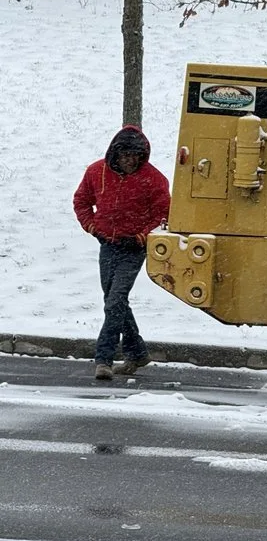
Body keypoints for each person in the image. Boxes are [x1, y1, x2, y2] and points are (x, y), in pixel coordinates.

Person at [73, 125, 171, 380]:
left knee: (115, 300)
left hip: (134, 249)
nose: (130, 161)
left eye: (135, 156)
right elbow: (81, 201)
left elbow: (163, 215)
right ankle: (136, 352)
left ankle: (103, 359)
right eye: (125, 155)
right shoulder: (96, 172)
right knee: (114, 301)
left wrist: (140, 237)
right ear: (115, 154)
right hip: (107, 244)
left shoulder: (154, 179)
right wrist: (92, 227)